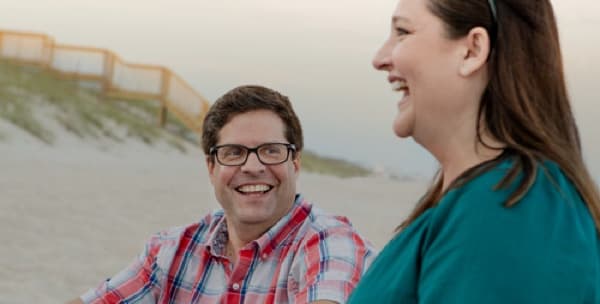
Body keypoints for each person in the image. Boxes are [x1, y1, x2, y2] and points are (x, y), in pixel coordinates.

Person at [348, 0, 600, 303]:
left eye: (402, 32)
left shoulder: (509, 207)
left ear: (472, 50)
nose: (380, 59)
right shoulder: (487, 202)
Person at [69, 85, 375, 304]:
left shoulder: (331, 243)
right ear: (211, 167)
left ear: (295, 163)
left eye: (271, 150)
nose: (253, 166)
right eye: (234, 152)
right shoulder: (172, 251)